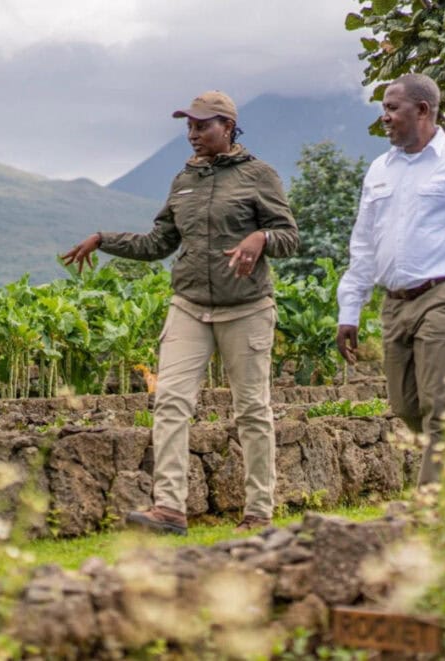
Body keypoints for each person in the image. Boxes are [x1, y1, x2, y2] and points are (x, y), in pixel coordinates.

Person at [63, 91, 299, 535]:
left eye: (202, 125)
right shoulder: (183, 181)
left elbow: (289, 236)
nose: (193, 134)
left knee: (252, 410)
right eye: (189, 126)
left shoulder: (259, 175)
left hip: (246, 308)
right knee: (170, 401)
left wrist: (260, 239)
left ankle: (258, 512)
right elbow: (159, 243)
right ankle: (169, 509)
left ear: (228, 127)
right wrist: (104, 239)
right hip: (189, 305)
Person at [335, 73, 445, 485]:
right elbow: (364, 244)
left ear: (422, 110)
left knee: (441, 408)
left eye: (392, 108)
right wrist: (350, 310)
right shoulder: (380, 170)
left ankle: (428, 509)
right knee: (405, 407)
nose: (384, 117)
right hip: (395, 302)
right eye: (383, 108)